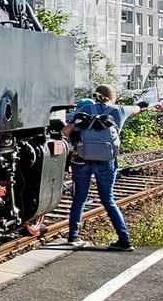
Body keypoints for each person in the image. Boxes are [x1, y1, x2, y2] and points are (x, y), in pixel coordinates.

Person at [64, 84, 149, 250]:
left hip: (82, 159)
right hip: (106, 161)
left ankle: (73, 236)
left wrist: (76, 145)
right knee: (108, 199)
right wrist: (142, 106)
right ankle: (124, 240)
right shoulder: (120, 110)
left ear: (96, 95)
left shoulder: (86, 108)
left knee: (80, 197)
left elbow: (67, 131)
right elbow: (138, 108)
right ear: (112, 96)